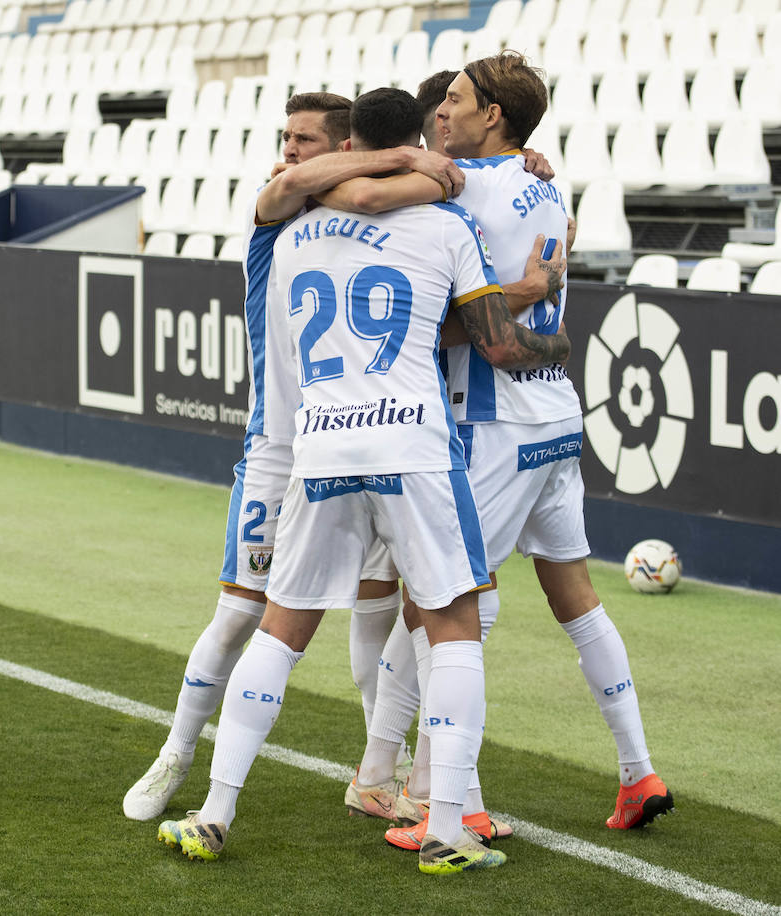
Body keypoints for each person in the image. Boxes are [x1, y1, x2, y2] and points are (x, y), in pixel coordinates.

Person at [155, 87, 571, 874]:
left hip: (319, 449)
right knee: (453, 625)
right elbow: (498, 347)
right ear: (417, 139)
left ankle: (213, 813)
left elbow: (308, 191)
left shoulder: (287, 231)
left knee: (281, 631)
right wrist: (558, 334)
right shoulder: (447, 227)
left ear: (351, 146)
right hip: (414, 445)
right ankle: (446, 829)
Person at [331, 52, 671, 845]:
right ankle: (637, 773)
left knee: (443, 607)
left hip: (490, 420)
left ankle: (456, 800)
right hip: (557, 417)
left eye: (453, 101)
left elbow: (366, 194)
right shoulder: (545, 183)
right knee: (576, 599)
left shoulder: (464, 186)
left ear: (495, 118)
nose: (439, 115)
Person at [121, 90, 464, 823]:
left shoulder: (367, 214)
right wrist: (413, 156)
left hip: (343, 444)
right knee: (241, 616)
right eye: (285, 137)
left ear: (343, 149)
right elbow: (292, 189)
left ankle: (381, 767)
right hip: (279, 453)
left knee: (377, 614)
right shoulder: (277, 221)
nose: (289, 151)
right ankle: (176, 752)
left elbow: (391, 192)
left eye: (303, 140)